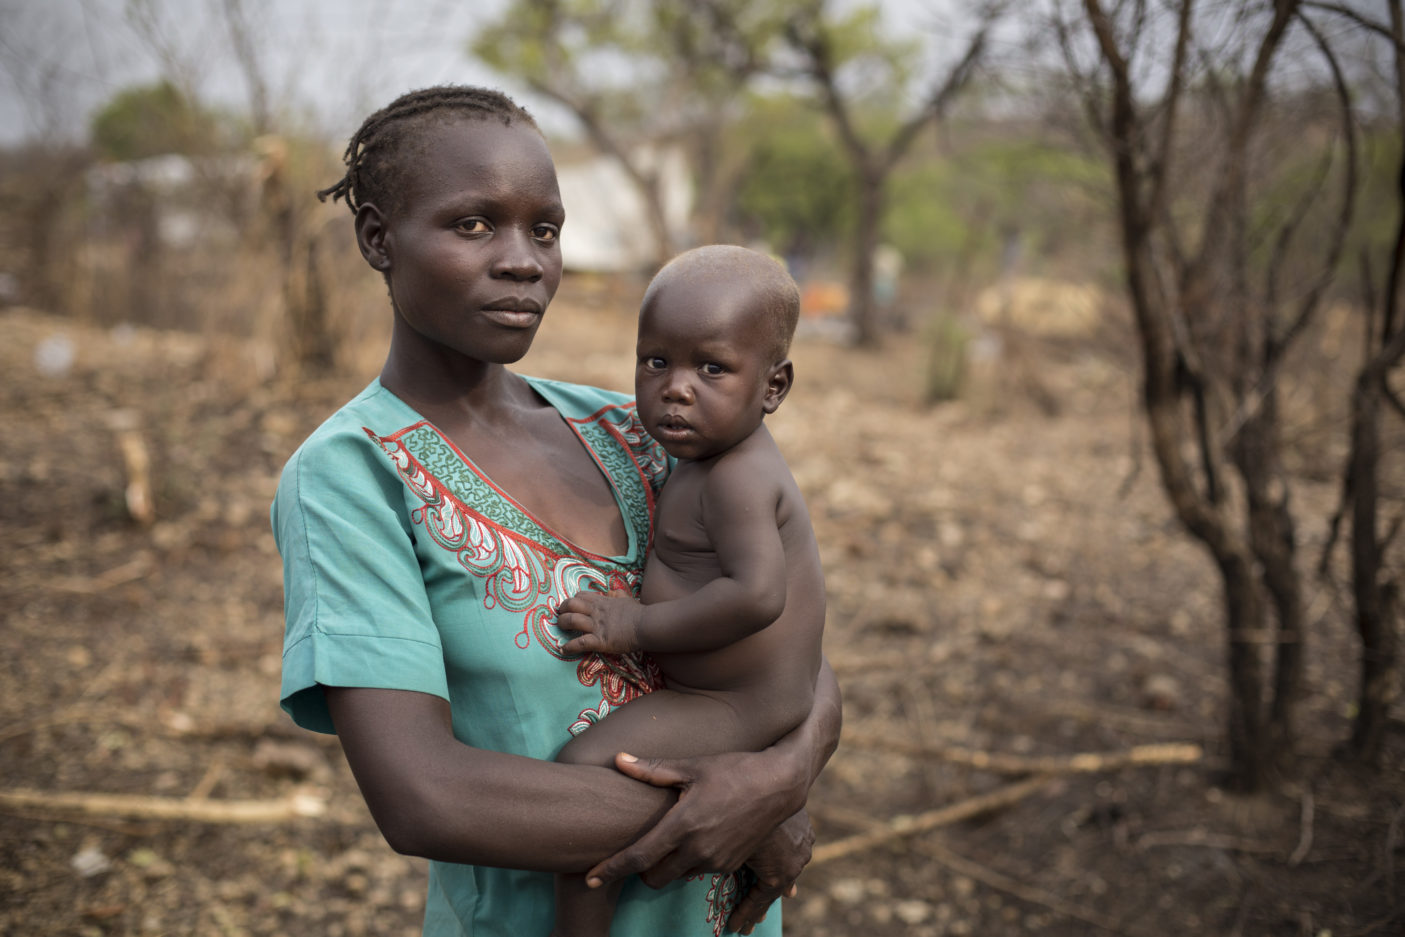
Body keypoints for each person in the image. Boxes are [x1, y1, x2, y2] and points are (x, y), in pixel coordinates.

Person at [269, 85, 842, 937]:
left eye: (543, 229)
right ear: (377, 237)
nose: (523, 261)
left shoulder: (642, 426)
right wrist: (724, 801)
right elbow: (424, 795)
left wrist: (780, 778)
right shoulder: (352, 476)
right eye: (473, 225)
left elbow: (795, 639)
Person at [548, 245, 826, 936]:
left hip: (735, 702)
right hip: (740, 693)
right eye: (655, 361)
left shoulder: (737, 475)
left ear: (773, 386)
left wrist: (633, 627)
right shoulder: (704, 455)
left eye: (711, 367)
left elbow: (758, 594)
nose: (676, 387)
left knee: (580, 772)